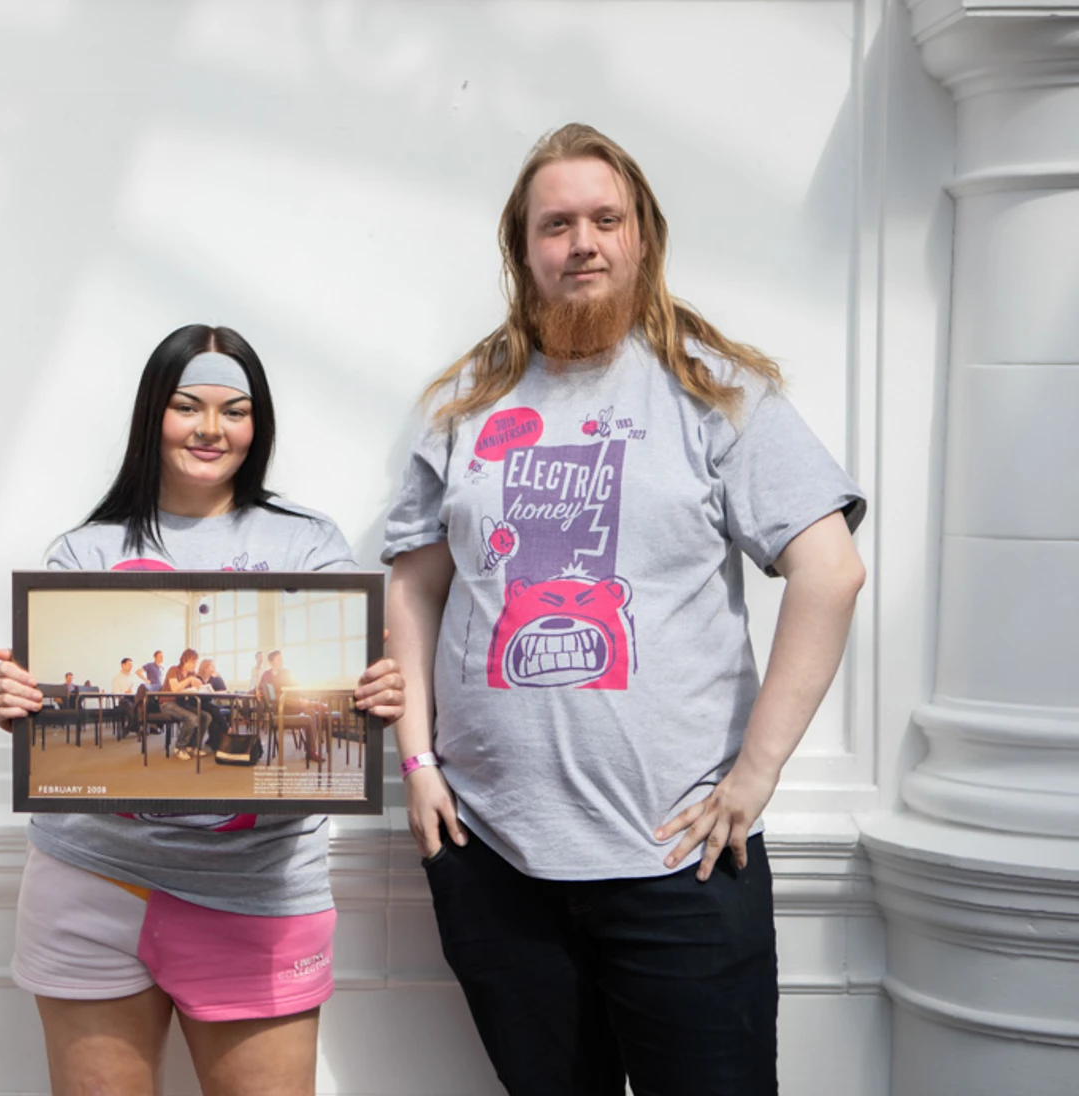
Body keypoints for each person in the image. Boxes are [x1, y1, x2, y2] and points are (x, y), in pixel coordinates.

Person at [383, 123, 866, 1095]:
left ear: (642, 235)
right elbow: (413, 579)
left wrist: (753, 775)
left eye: (605, 219)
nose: (582, 243)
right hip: (491, 854)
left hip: (676, 865)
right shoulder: (465, 402)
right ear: (522, 251)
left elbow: (830, 571)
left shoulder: (715, 391)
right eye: (554, 224)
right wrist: (417, 762)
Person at [0, 324, 404, 1096]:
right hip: (92, 882)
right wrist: (18, 702)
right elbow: (48, 698)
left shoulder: (310, 545)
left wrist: (376, 695)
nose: (212, 429)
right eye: (188, 406)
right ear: (155, 414)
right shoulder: (85, 552)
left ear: (258, 423)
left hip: (260, 892)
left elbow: (352, 681)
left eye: (235, 411)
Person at [163, 648, 210, 759]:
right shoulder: (173, 670)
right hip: (167, 703)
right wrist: (189, 680)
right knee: (192, 718)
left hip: (181, 703)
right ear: (184, 660)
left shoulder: (191, 673)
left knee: (206, 717)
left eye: (196, 662)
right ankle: (179, 747)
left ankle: (192, 746)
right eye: (192, 662)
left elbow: (194, 688)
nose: (194, 665)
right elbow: (174, 689)